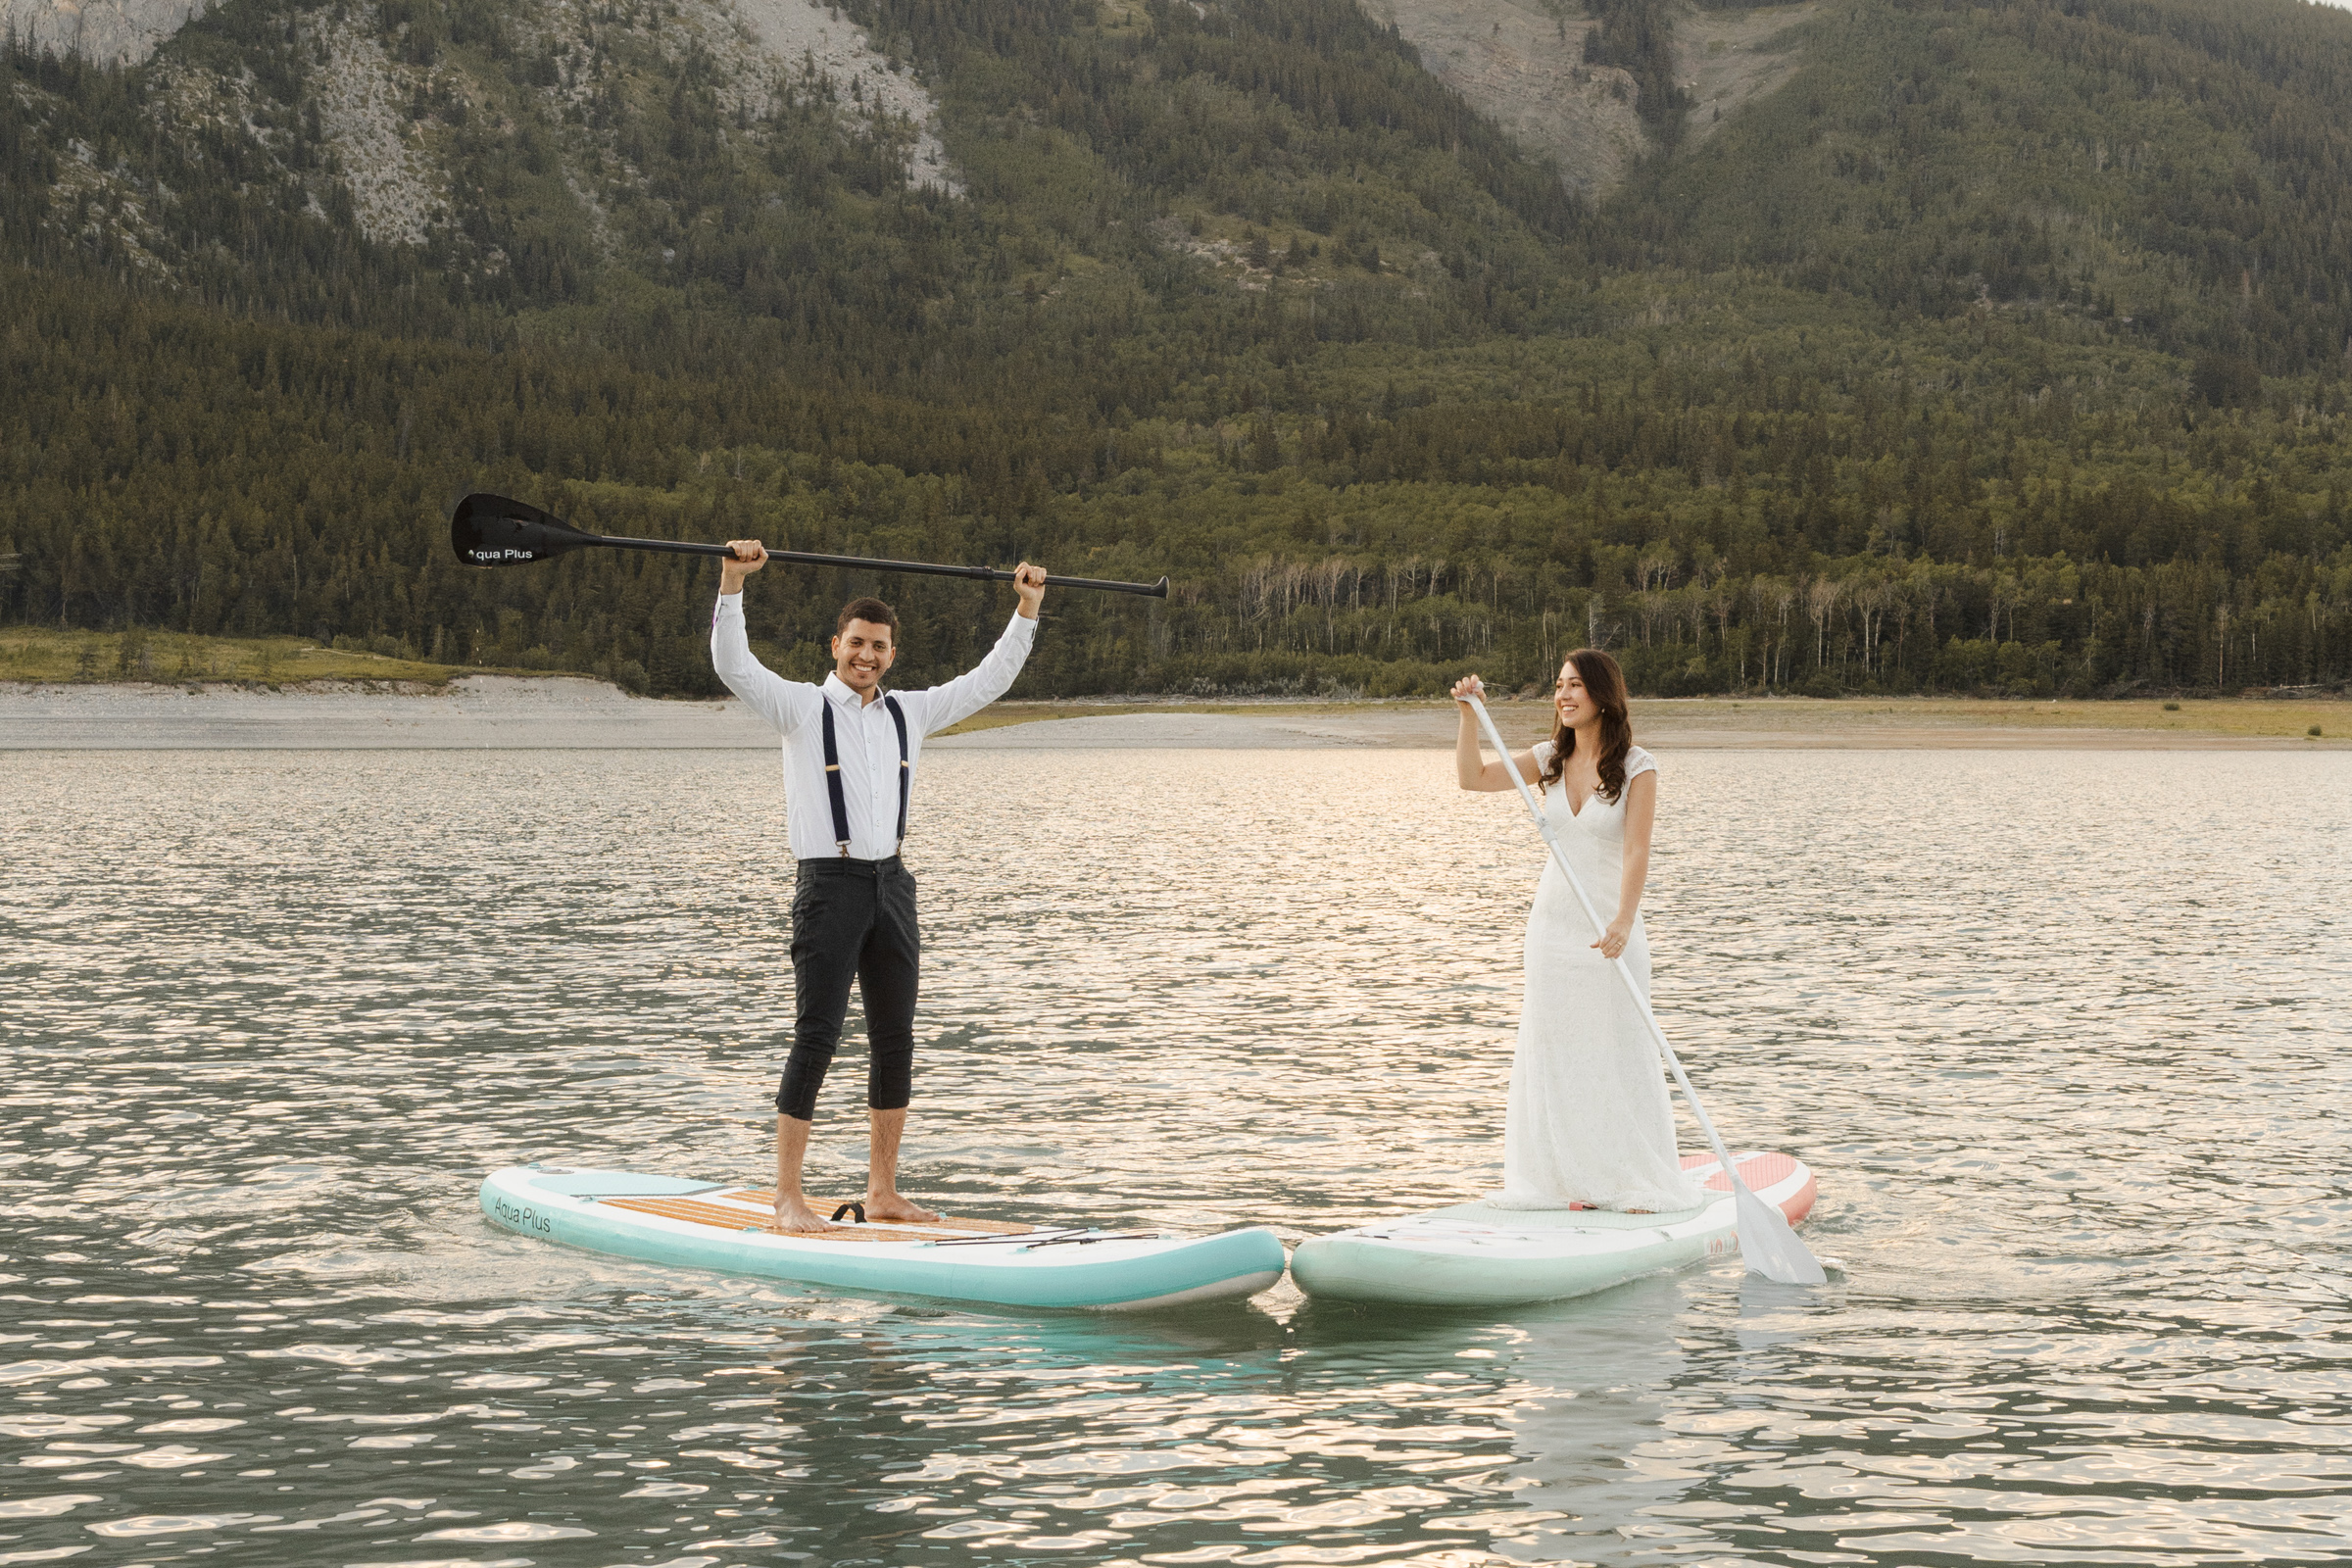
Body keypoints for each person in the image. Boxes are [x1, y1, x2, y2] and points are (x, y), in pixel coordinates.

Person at [710, 541, 1049, 1233]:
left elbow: (988, 681)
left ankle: (885, 1191)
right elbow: (733, 665)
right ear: (835, 645)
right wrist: (732, 584)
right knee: (818, 1036)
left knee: (896, 1040)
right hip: (828, 887)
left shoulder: (910, 713)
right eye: (856, 643)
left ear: (892, 654)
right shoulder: (801, 710)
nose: (867, 656)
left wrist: (1027, 609)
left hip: (892, 886)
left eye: (880, 647)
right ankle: (786, 1198)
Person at [1450, 652, 1704, 1214]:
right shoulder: (1549, 759)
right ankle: (1571, 1183)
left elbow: (1638, 850)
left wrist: (1623, 920)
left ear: (1602, 696)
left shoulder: (1638, 766)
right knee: (1559, 1055)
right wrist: (1470, 715)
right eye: (1558, 686)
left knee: (1617, 1053)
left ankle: (1632, 1178)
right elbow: (1472, 779)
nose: (1563, 696)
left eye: (1574, 687)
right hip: (1552, 932)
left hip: (1612, 928)